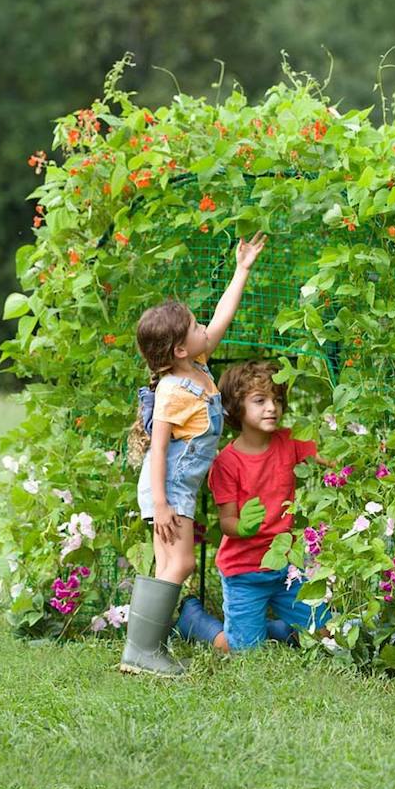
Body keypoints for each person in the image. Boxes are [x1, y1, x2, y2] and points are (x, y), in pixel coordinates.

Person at [119, 232, 266, 676]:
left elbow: (222, 318)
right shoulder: (172, 390)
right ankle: (141, 651)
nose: (206, 329)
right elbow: (158, 451)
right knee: (180, 562)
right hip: (167, 490)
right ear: (180, 349)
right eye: (196, 328)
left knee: (168, 563)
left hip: (173, 490)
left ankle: (147, 649)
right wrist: (162, 505)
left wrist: (241, 270)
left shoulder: (198, 368)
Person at [206, 359, 330, 651]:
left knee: (328, 634)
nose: (272, 407)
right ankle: (197, 622)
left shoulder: (289, 441)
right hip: (244, 573)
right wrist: (243, 527)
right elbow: (227, 522)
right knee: (245, 651)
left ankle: (272, 626)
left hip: (288, 569)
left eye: (276, 399)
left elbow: (331, 456)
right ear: (237, 407)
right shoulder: (227, 463)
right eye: (260, 401)